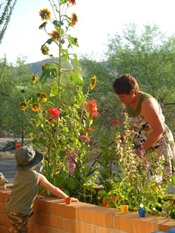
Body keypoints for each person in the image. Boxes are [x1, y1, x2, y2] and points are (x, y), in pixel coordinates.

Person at [112, 73, 175, 183]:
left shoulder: (146, 103)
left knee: (154, 182)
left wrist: (141, 149)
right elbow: (134, 125)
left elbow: (159, 130)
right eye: (118, 96)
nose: (120, 99)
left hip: (156, 145)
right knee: (140, 182)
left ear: (132, 92)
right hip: (142, 146)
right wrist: (123, 136)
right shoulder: (129, 102)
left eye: (122, 96)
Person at [6, 145, 79, 233]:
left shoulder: (18, 173)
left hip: (10, 207)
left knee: (14, 226)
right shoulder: (37, 177)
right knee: (21, 229)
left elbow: (21, 188)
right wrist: (67, 197)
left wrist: (34, 195)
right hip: (20, 212)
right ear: (34, 162)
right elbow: (53, 189)